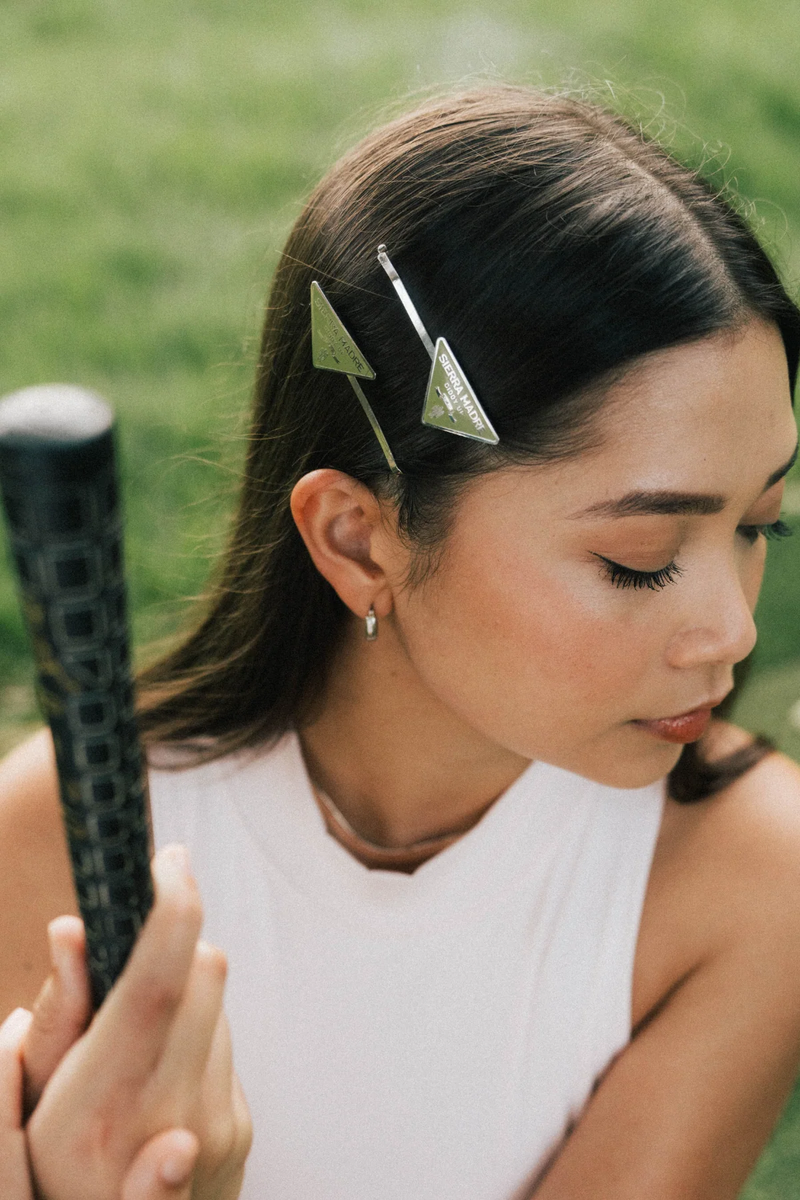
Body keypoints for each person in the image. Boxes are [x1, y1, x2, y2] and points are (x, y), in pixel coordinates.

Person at [1, 83, 800, 1199]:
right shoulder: (47, 842)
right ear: (359, 540)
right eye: (637, 555)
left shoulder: (751, 882)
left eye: (759, 524)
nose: (732, 629)